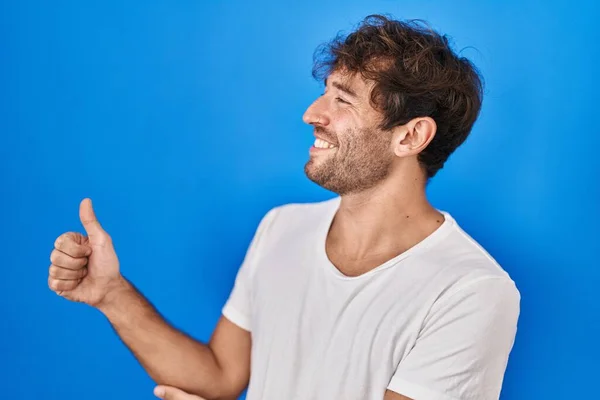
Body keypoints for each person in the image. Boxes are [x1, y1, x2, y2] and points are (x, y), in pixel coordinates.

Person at [47, 15, 520, 400]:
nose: (312, 113)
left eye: (343, 100)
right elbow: (218, 377)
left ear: (411, 136)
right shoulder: (281, 229)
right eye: (325, 91)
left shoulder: (472, 290)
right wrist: (110, 293)